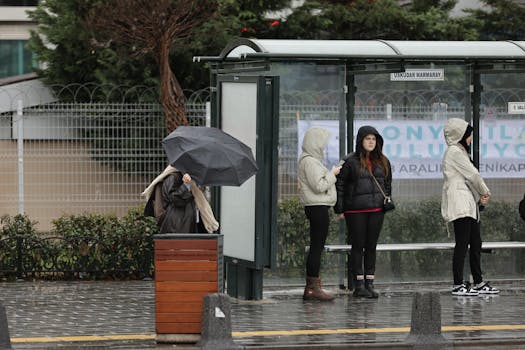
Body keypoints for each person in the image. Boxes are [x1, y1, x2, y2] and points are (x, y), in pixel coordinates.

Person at [441, 118, 499, 296]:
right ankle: (458, 284)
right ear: (460, 135)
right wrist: (485, 192)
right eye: (468, 135)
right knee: (463, 243)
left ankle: (478, 282)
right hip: (460, 203)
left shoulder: (459, 152)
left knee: (475, 243)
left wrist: (480, 194)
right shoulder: (455, 152)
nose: (471, 139)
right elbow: (473, 174)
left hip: (466, 202)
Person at [335, 125, 392, 299]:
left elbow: (387, 183)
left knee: (371, 246)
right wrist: (340, 208)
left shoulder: (383, 161)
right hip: (355, 210)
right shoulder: (350, 161)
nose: (371, 142)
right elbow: (340, 185)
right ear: (361, 141)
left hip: (376, 210)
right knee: (358, 246)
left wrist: (386, 199)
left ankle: (370, 283)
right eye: (367, 139)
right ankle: (358, 285)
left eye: (374, 139)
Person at [298, 126, 341, 301]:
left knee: (317, 246)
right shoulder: (309, 162)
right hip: (317, 207)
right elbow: (319, 185)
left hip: (318, 207)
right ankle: (312, 288)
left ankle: (312, 286)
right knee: (317, 247)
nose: (324, 146)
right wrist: (332, 174)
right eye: (322, 143)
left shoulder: (310, 160)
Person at [142, 165, 219, 234]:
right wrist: (186, 185)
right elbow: (174, 198)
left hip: (190, 224)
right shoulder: (173, 177)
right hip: (177, 227)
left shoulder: (193, 180)